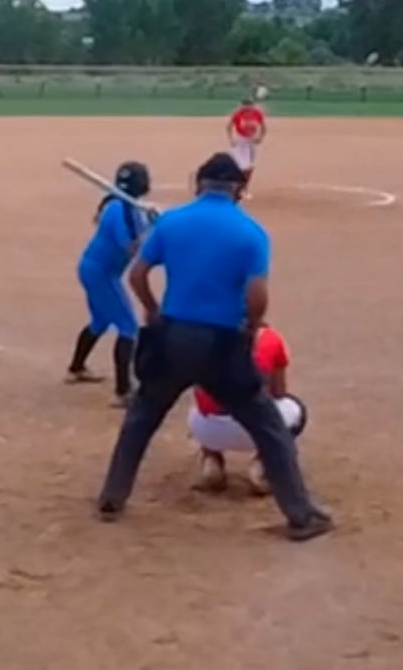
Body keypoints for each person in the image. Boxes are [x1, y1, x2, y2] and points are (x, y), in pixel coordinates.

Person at [95, 152, 332, 542]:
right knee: (268, 427)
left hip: (172, 336)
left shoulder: (172, 222)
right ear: (238, 189)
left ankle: (112, 497)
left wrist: (153, 310)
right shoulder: (250, 232)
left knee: (141, 417)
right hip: (221, 342)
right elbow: (257, 296)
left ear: (200, 184)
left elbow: (137, 274)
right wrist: (250, 327)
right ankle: (301, 514)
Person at [69, 161, 155, 406]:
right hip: (102, 273)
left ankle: (76, 368)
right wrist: (152, 227)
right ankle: (123, 391)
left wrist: (152, 221)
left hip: (93, 268)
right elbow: (132, 247)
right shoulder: (123, 210)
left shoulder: (117, 204)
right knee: (128, 326)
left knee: (100, 321)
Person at [187, 322, 306, 495]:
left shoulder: (199, 338)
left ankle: (211, 459)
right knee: (295, 409)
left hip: (209, 431)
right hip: (255, 428)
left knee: (200, 408)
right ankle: (263, 465)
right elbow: (278, 392)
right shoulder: (270, 338)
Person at [227, 89, 268, 199]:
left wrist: (260, 137)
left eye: (249, 105)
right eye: (245, 105)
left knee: (249, 167)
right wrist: (232, 139)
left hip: (251, 142)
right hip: (241, 140)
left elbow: (263, 127)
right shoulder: (238, 114)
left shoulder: (257, 114)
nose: (247, 107)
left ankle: (243, 188)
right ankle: (239, 188)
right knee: (244, 167)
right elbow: (229, 126)